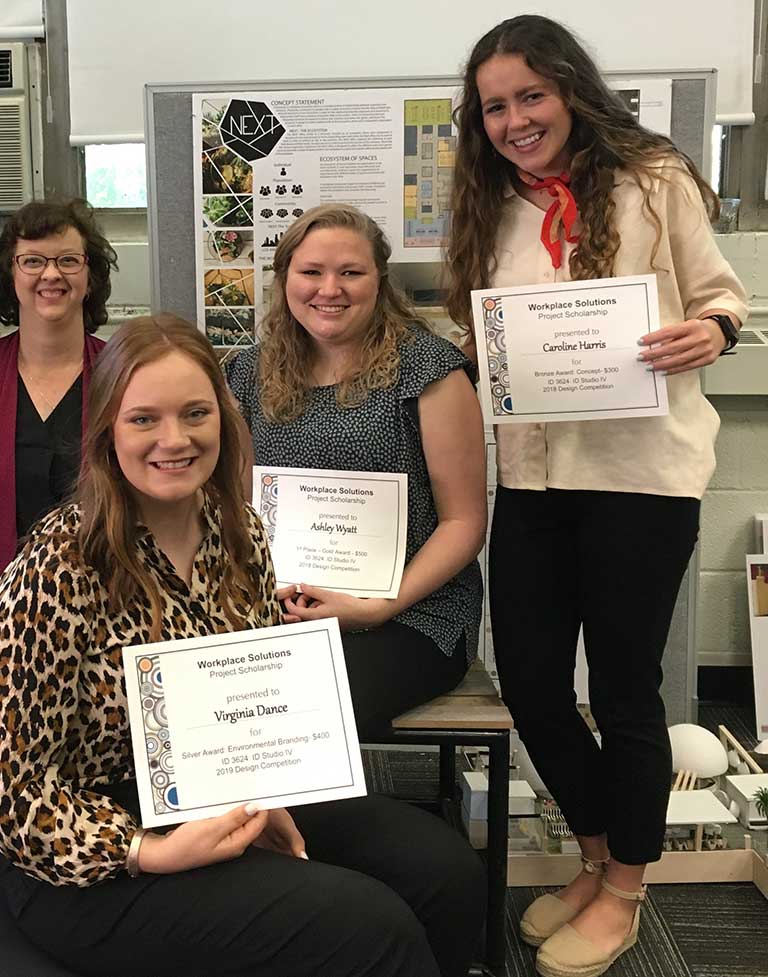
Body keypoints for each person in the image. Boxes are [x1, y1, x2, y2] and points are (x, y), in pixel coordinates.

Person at [0, 314, 485, 977]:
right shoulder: (56, 566)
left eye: (194, 413)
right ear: (106, 433)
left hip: (213, 793)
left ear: (223, 419)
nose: (174, 439)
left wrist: (269, 796)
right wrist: (152, 850)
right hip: (87, 853)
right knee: (368, 927)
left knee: (443, 872)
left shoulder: (237, 531)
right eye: (144, 419)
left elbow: (251, 702)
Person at [445, 15, 748, 977]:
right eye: (495, 105)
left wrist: (716, 331)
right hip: (533, 475)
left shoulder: (655, 179)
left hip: (641, 478)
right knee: (529, 682)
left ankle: (627, 885)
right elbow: (485, 330)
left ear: (571, 88)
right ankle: (594, 852)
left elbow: (720, 295)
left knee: (623, 691)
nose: (515, 119)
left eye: (530, 96)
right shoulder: (488, 204)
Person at [226, 204, 486, 737]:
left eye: (351, 272)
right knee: (212, 703)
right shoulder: (248, 370)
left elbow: (464, 523)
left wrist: (374, 608)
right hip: (285, 605)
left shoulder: (430, 370)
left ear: (379, 280)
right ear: (285, 279)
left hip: (411, 616)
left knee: (295, 715)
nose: (330, 289)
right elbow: (240, 502)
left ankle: (315, 825)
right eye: (312, 272)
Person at [0, 198, 117, 676]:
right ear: (10, 276)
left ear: (89, 276)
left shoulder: (123, 373)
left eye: (67, 260)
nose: (50, 275)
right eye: (33, 261)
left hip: (109, 603)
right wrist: (2, 602)